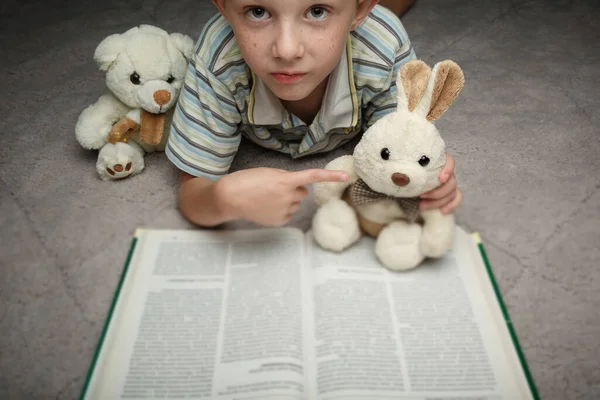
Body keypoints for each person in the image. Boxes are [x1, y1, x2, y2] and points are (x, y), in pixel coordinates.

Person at [166, 0, 461, 228]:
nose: (287, 49)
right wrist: (220, 200)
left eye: (317, 11)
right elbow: (193, 193)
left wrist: (428, 175)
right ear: (223, 7)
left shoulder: (383, 47)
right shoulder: (218, 57)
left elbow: (404, 143)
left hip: (370, 26)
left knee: (387, 15)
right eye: (257, 11)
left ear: (360, 9)